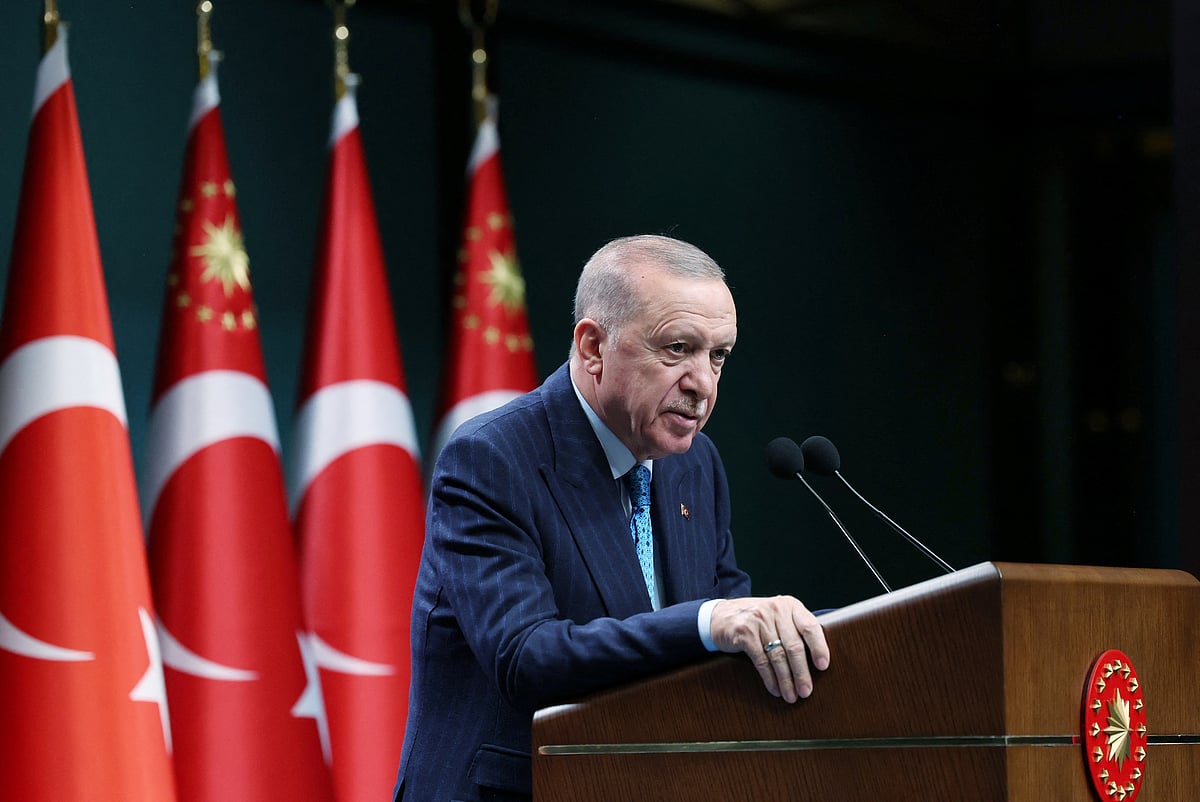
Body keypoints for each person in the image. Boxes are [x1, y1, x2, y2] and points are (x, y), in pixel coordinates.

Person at [393, 234, 829, 801]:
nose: (703, 385)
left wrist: (803, 635)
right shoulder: (493, 459)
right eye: (677, 349)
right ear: (593, 347)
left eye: (718, 355)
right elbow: (526, 658)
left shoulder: (695, 464)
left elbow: (727, 629)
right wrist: (709, 622)